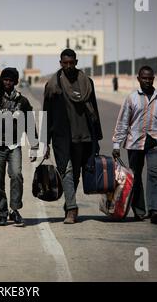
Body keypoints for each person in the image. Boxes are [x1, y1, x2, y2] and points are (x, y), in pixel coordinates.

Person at [112, 65, 157, 224]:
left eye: (150, 78)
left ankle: (155, 209)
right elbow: (122, 123)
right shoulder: (131, 98)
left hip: (156, 142)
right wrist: (116, 144)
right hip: (135, 143)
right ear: (138, 79)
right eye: (144, 78)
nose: (147, 81)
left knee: (155, 174)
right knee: (135, 177)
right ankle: (140, 211)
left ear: (153, 79)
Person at [43, 49, 102, 224]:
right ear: (60, 63)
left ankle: (69, 201)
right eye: (65, 63)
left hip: (83, 136)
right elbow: (47, 114)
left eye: (71, 63)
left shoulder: (87, 82)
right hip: (61, 136)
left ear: (76, 62)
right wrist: (45, 142)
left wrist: (96, 139)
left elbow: (94, 111)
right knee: (66, 171)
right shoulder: (53, 85)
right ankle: (72, 209)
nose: (68, 66)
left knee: (76, 174)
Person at [0, 68, 38, 227]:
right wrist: (0, 79)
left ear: (16, 82)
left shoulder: (22, 101)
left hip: (14, 145)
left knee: (17, 175)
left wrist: (34, 145)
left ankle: (14, 210)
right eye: (5, 79)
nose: (7, 82)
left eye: (10, 80)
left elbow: (30, 123)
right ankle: (2, 213)